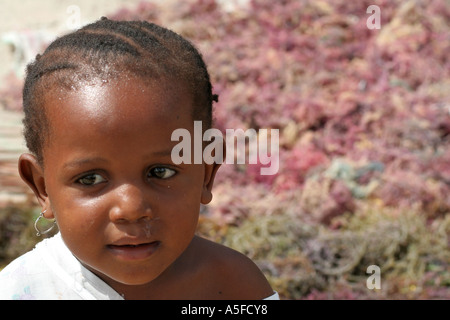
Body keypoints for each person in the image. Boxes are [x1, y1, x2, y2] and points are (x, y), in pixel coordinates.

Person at [0, 18, 278, 300]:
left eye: (160, 172)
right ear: (42, 186)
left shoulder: (234, 288)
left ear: (207, 171)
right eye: (90, 179)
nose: (131, 208)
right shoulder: (20, 291)